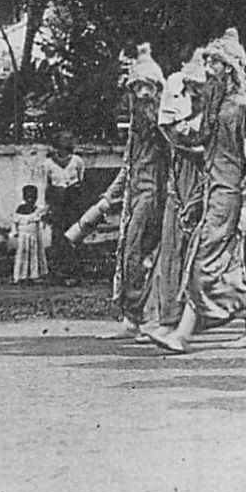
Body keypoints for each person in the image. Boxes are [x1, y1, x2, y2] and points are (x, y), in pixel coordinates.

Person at [150, 29, 246, 354]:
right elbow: (199, 142)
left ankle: (183, 335)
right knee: (234, 265)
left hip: (232, 197)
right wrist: (172, 129)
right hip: (213, 192)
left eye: (215, 63)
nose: (209, 69)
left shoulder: (243, 107)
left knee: (203, 263)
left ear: (229, 68)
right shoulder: (216, 106)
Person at [92, 43, 168, 340]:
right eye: (137, 88)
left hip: (155, 194)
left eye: (147, 87)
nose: (142, 94)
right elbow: (128, 165)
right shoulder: (138, 124)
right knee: (130, 255)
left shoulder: (162, 122)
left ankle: (150, 318)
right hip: (136, 194)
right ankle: (134, 318)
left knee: (142, 254)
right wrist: (109, 197)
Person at [146, 53, 208, 342]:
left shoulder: (225, 105)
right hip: (181, 178)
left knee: (204, 255)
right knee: (172, 248)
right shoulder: (176, 89)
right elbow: (173, 132)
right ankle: (170, 318)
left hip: (208, 181)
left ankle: (190, 321)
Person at [42, 130, 86, 282]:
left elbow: (81, 180)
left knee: (74, 235)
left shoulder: (77, 161)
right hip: (58, 202)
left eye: (70, 138)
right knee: (58, 236)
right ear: (58, 141)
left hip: (73, 201)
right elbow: (47, 185)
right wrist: (48, 206)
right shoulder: (48, 163)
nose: (69, 141)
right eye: (65, 138)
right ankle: (58, 273)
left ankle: (74, 272)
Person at [10, 184, 48, 284]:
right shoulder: (20, 209)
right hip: (23, 236)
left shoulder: (38, 210)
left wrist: (42, 222)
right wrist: (14, 232)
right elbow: (15, 222)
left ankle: (34, 275)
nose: (31, 200)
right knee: (23, 254)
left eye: (34, 197)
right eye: (28, 197)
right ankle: (20, 276)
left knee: (35, 254)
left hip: (35, 235)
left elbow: (41, 224)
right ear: (24, 197)